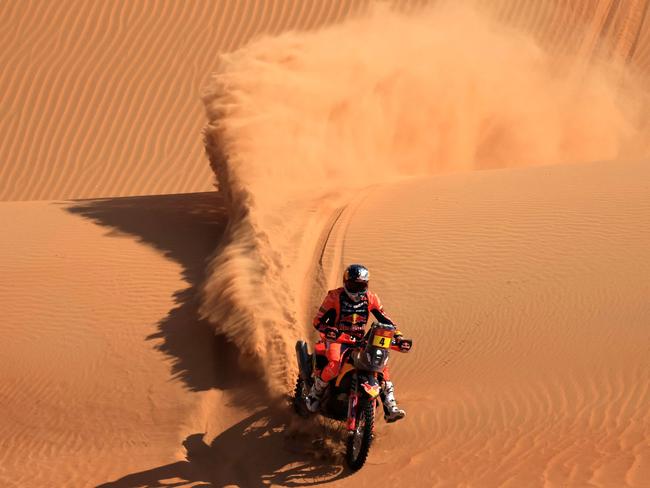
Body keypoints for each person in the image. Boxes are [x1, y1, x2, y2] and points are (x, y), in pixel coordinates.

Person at [306, 264, 406, 422]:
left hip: (362, 342)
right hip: (337, 340)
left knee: (381, 367)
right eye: (354, 285)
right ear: (346, 283)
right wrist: (330, 330)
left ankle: (390, 406)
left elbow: (387, 321)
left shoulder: (371, 298)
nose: (358, 290)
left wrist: (398, 337)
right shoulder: (334, 297)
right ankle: (315, 394)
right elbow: (318, 321)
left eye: (361, 286)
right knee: (334, 364)